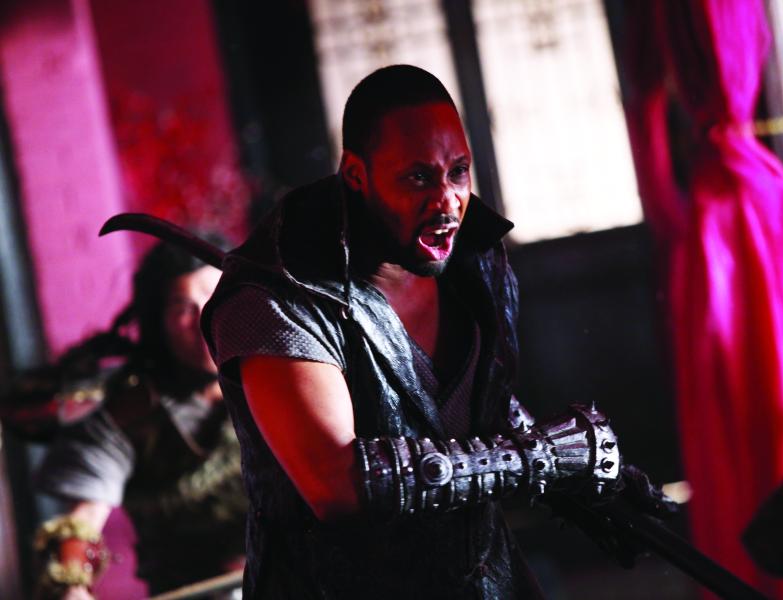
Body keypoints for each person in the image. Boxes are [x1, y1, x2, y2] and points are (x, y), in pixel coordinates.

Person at [201, 65, 637, 599]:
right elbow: (337, 486)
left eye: (458, 172)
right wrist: (539, 457)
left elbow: (477, 406)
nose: (448, 201)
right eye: (417, 178)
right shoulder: (272, 299)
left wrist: (588, 477)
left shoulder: (471, 259)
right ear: (356, 174)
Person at [7, 239, 247, 598]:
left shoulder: (282, 371)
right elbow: (82, 519)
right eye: (182, 308)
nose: (204, 319)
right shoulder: (130, 411)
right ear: (159, 323)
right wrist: (71, 583)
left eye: (215, 297)